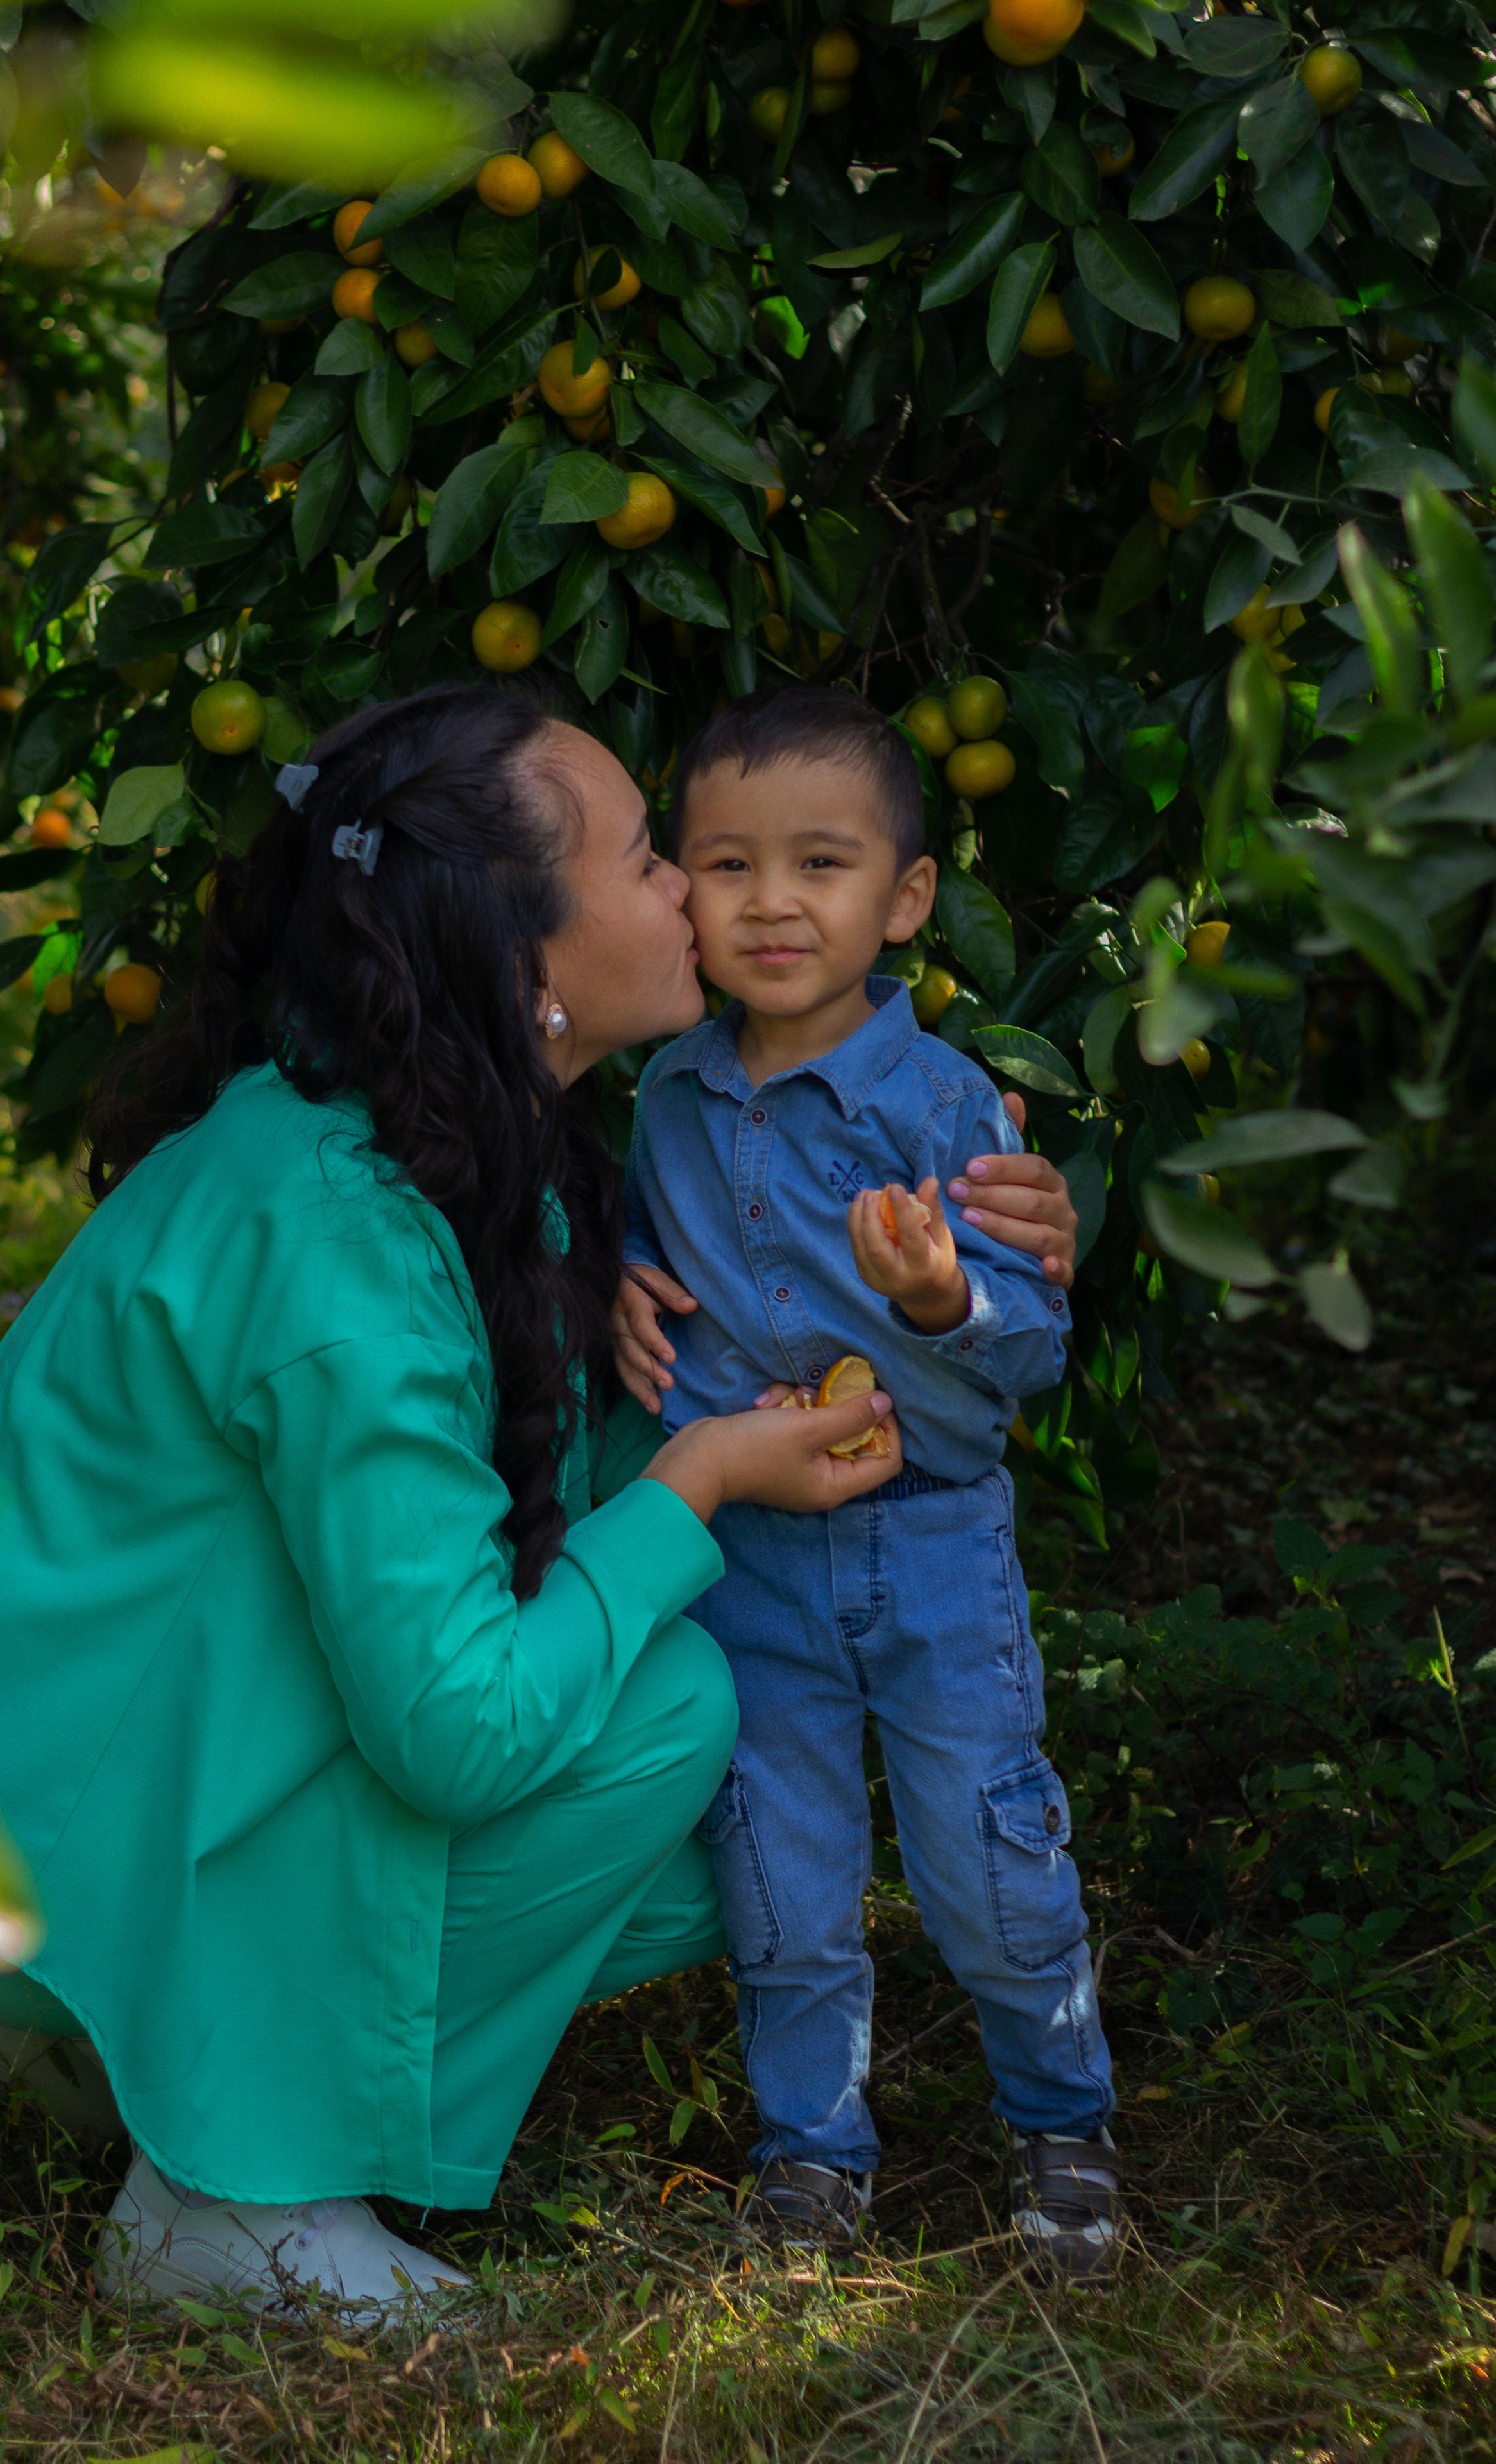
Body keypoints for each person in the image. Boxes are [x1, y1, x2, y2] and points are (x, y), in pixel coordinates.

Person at [0, 686, 1081, 2322]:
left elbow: (492, 1503)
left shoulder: (434, 1138)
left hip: (103, 1767)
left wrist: (977, 1243)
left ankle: (142, 2050)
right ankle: (231, 2193)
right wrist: (692, 1474)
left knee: (705, 1830)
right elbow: (453, 1727)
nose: (691, 893)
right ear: (525, 961)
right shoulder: (346, 1246)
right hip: (39, 1837)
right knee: (670, 1712)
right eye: (653, 858)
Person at [613, 687, 1119, 2277]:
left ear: (902, 900)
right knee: (779, 1867)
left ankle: (1060, 2128)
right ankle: (809, 2155)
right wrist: (612, 1289)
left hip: (933, 1549)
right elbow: (651, 1256)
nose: (771, 903)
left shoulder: (943, 1103)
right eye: (725, 864)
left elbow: (1028, 1342)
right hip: (754, 1558)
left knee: (989, 1849)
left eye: (820, 864)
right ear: (677, 888)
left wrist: (929, 1303)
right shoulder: (666, 1095)